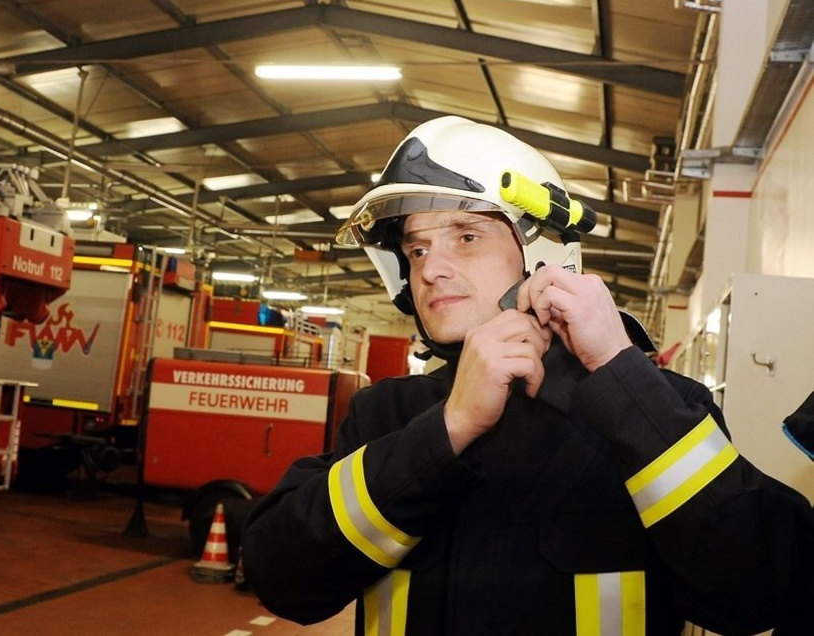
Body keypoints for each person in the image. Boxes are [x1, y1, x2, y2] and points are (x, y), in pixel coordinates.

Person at [242, 116, 814, 634]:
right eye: (415, 250)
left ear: (542, 254)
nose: (432, 269)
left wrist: (617, 376)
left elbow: (765, 588)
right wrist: (448, 429)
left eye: (466, 236)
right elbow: (283, 576)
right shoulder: (385, 414)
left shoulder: (657, 414)